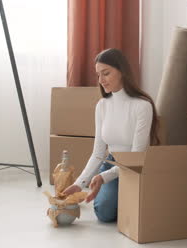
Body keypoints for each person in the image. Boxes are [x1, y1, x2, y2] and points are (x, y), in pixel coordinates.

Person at [62, 48, 160, 223]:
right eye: (98, 75)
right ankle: (117, 196)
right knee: (104, 213)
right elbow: (99, 153)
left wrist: (103, 178)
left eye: (106, 73)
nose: (101, 80)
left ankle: (122, 196)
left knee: (125, 207)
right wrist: (79, 183)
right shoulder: (102, 105)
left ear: (122, 71)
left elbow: (136, 156)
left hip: (135, 165)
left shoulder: (142, 106)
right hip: (112, 162)